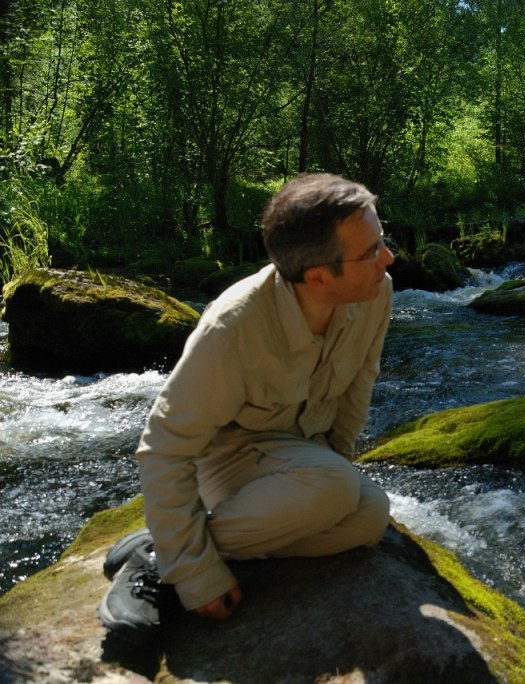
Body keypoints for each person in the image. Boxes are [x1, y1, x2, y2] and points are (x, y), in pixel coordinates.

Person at [97, 173, 395, 643]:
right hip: (222, 463)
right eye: (371, 251)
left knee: (369, 515)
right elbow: (163, 449)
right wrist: (199, 578)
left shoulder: (377, 293)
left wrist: (331, 470)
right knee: (334, 489)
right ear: (318, 275)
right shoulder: (233, 327)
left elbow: (359, 385)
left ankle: (171, 543)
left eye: (383, 240)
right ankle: (162, 564)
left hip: (296, 457)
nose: (388, 258)